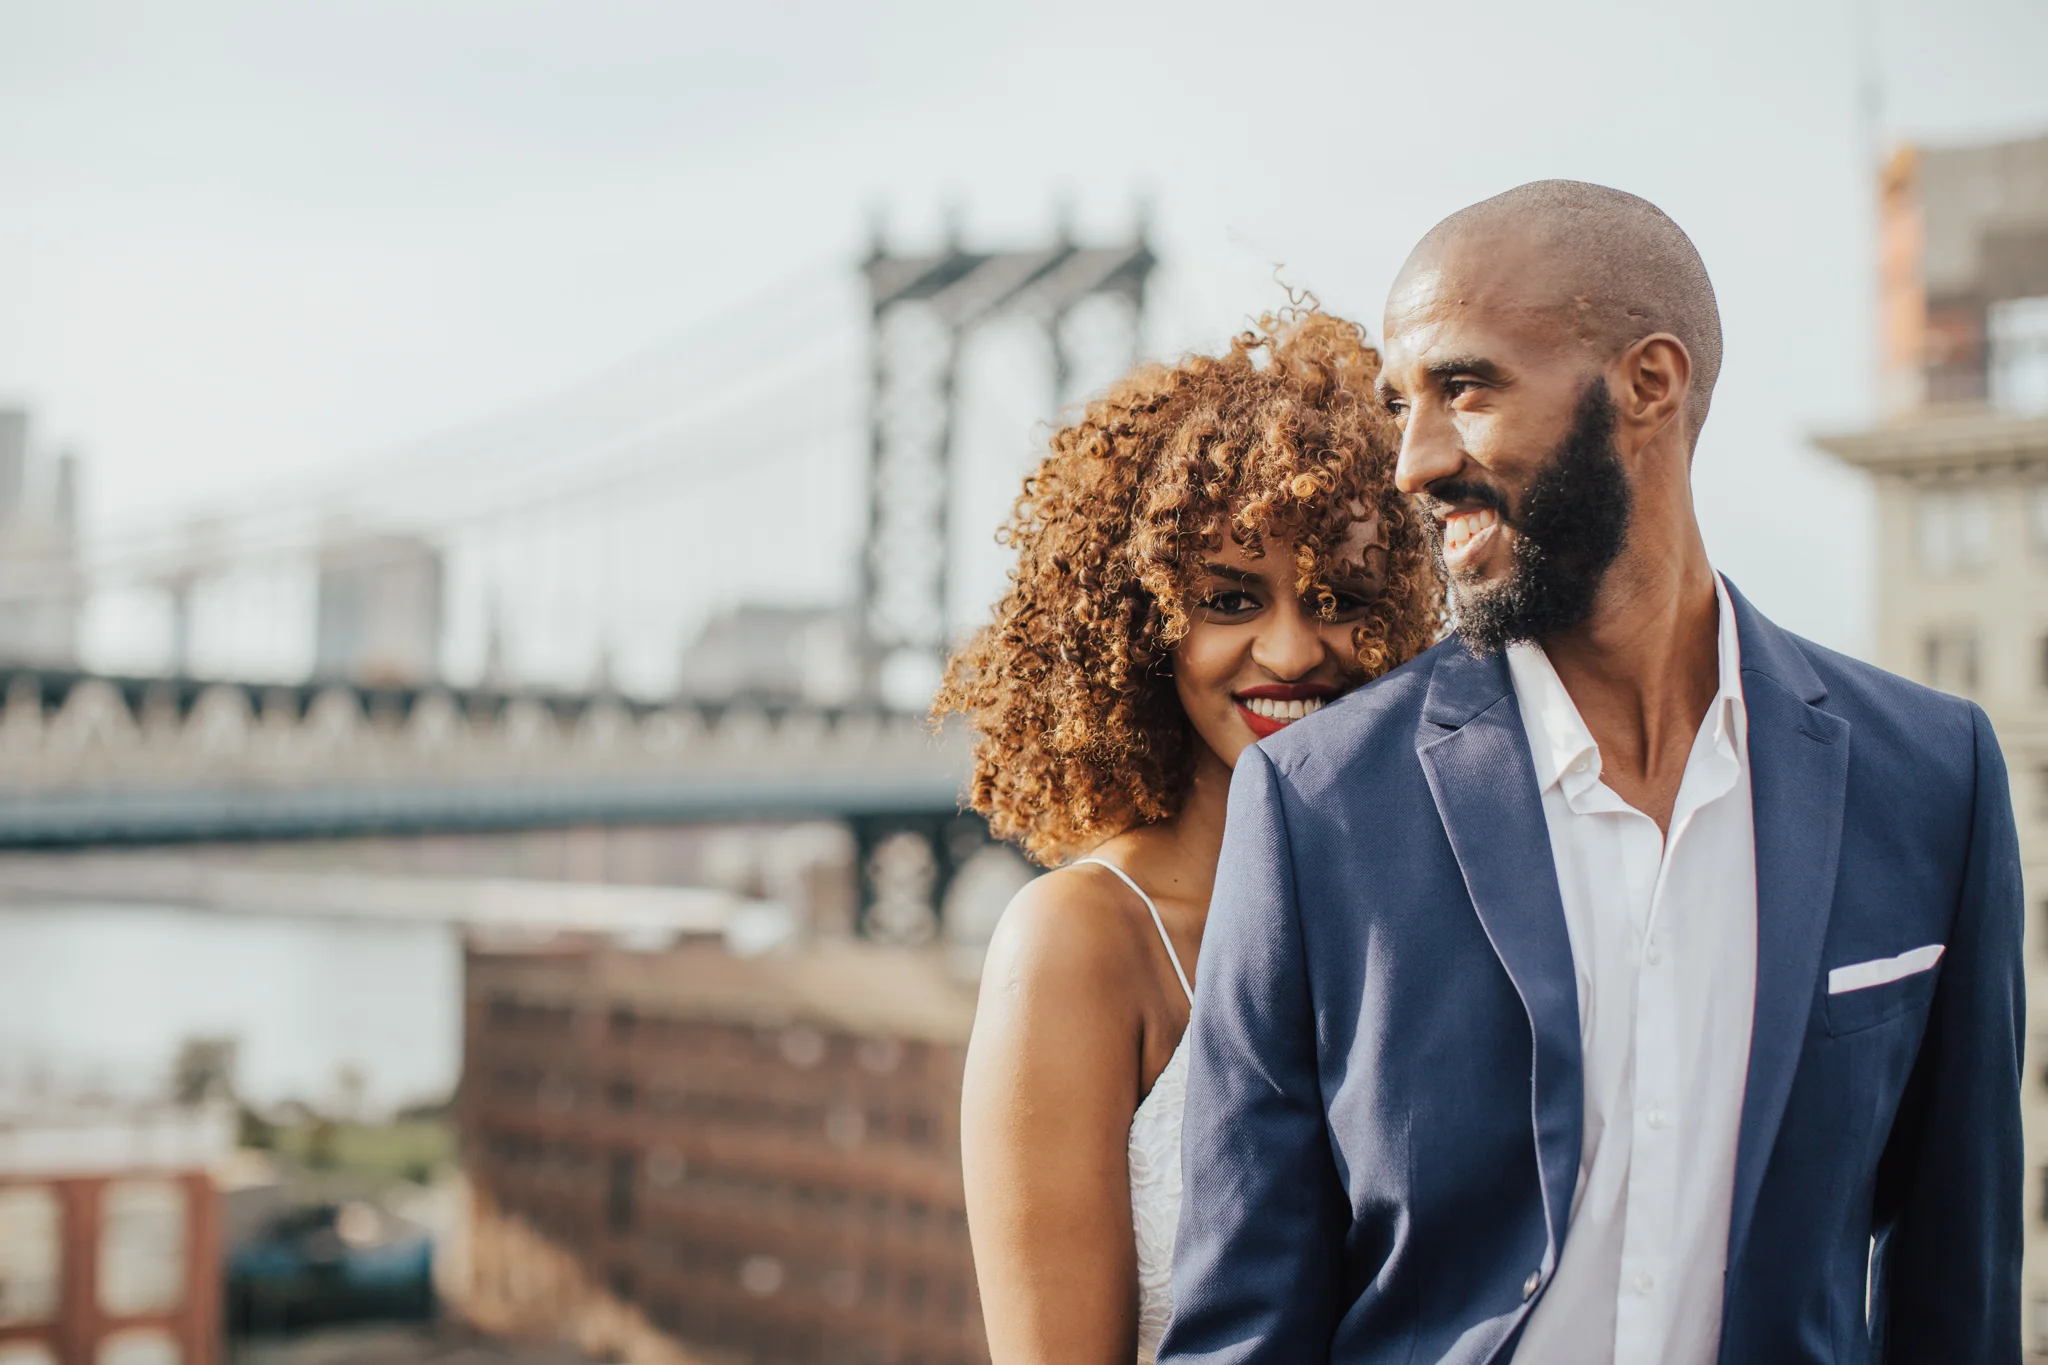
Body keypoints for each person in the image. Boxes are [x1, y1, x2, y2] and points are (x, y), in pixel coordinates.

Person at [1160, 182, 2024, 1365]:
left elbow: (1955, 1295)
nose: (1411, 463)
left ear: (1647, 383)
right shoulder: (1318, 807)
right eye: (1399, 405)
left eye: (1462, 389)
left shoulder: (1931, 776)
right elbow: (1243, 1326)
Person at [935, 312, 1443, 1365]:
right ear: (1138, 622)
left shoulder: (1432, 910)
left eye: (1339, 597)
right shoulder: (1078, 942)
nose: (1290, 650)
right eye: (1229, 598)